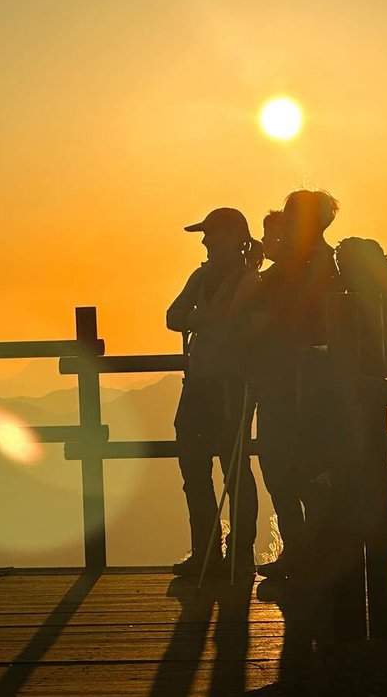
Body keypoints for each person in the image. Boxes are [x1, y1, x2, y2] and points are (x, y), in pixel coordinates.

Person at [242, 191, 343, 579]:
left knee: (289, 469)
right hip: (299, 381)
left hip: (293, 383)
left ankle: (305, 561)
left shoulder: (302, 265)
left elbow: (272, 317)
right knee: (290, 469)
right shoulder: (319, 260)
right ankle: (303, 557)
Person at [167, 207, 262, 578]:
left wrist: (198, 319)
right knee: (197, 468)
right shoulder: (206, 276)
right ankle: (211, 552)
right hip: (203, 385)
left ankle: (237, 554)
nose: (205, 241)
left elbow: (191, 318)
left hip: (228, 386)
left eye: (211, 234)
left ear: (233, 237)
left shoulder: (248, 281)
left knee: (232, 470)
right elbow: (174, 316)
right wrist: (202, 319)